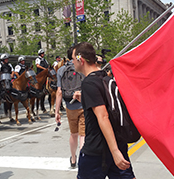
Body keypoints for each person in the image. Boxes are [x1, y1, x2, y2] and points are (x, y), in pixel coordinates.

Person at [71, 42, 136, 179]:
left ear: (80, 60)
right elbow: (104, 101)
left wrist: (114, 151)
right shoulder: (107, 79)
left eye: (73, 59)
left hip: (97, 151)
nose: (72, 62)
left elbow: (103, 116)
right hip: (118, 143)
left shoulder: (89, 83)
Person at [55, 47, 85, 168]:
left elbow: (59, 92)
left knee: (74, 134)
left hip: (69, 106)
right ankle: (83, 159)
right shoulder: (81, 67)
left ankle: (73, 159)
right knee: (83, 135)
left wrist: (57, 111)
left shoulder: (61, 70)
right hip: (83, 104)